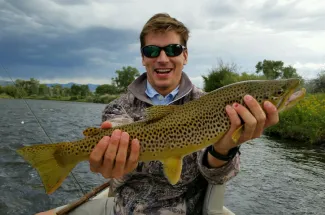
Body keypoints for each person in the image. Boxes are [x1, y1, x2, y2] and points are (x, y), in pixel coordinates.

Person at [38, 13, 279, 215]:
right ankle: (62, 156)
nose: (162, 58)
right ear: (143, 57)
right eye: (152, 50)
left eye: (173, 49)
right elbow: (117, 165)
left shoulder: (212, 105)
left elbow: (217, 176)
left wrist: (224, 148)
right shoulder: (118, 107)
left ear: (185, 55)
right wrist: (111, 164)